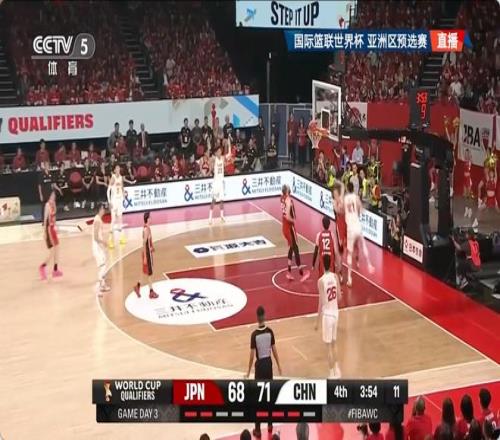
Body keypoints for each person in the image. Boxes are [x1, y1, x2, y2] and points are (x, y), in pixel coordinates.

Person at [245, 306, 282, 439]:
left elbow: (252, 356)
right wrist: (279, 365)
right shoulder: (270, 332)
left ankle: (258, 429)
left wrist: (248, 371)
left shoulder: (254, 335)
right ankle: (270, 424)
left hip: (260, 366)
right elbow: (274, 350)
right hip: (269, 365)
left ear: (257, 317)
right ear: (264, 316)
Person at [315, 254, 342, 378]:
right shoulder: (335, 277)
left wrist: (317, 321)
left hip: (327, 315)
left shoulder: (321, 281)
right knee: (334, 343)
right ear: (331, 263)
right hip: (336, 313)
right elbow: (339, 297)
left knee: (328, 347)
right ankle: (337, 369)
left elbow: (321, 302)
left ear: (322, 263)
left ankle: (331, 373)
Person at [344, 181, 375, 287]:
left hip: (350, 228)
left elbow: (342, 211)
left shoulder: (345, 199)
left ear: (347, 189)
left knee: (349, 253)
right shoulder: (356, 197)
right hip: (357, 225)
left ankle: (349, 278)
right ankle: (369, 264)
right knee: (363, 244)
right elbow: (361, 209)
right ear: (353, 188)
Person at [281, 184, 310, 282]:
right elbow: (287, 216)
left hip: (284, 227)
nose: (290, 188)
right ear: (287, 191)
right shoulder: (288, 200)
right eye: (288, 188)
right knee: (296, 248)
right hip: (289, 227)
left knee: (291, 247)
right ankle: (302, 272)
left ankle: (289, 272)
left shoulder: (282, 198)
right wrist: (293, 220)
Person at [134, 212, 159, 299]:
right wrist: (145, 256)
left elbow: (148, 242)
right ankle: (151, 292)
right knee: (149, 273)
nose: (151, 219)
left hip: (148, 252)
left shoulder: (148, 228)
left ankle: (137, 286)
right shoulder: (146, 230)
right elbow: (144, 243)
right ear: (147, 219)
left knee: (145, 271)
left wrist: (152, 247)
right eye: (150, 217)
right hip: (147, 254)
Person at [39, 191, 63, 280]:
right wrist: (44, 232)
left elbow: (54, 218)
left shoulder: (53, 204)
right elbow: (45, 220)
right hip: (48, 229)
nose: (54, 196)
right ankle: (42, 267)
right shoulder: (47, 205)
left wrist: (56, 227)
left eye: (54, 195)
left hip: (53, 229)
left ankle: (55, 270)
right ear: (49, 196)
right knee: (52, 251)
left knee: (57, 249)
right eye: (52, 195)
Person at [92, 204, 110, 295]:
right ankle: (98, 288)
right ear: (100, 209)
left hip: (99, 246)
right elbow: (95, 237)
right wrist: (104, 242)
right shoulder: (97, 220)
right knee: (102, 267)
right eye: (103, 209)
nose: (104, 211)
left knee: (104, 265)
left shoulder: (98, 219)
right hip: (97, 247)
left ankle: (102, 285)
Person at [107, 164, 126, 248]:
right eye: (117, 168)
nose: (118, 169)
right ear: (114, 170)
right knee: (113, 220)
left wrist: (123, 195)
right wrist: (109, 202)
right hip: (114, 201)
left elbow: (122, 188)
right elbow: (108, 191)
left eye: (119, 168)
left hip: (119, 200)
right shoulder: (113, 177)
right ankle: (110, 240)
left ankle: (121, 238)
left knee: (120, 219)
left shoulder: (121, 177)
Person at [208, 145, 227, 225]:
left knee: (222, 200)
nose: (220, 152)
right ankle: (210, 218)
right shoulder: (214, 159)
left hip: (221, 181)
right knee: (214, 200)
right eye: (218, 151)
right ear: (216, 153)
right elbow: (209, 158)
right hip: (216, 182)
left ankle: (222, 216)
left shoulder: (222, 158)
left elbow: (227, 158)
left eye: (220, 151)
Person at [333, 182, 347, 259]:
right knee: (340, 238)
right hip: (339, 221)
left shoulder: (342, 198)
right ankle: (340, 249)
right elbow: (336, 210)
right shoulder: (335, 201)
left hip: (344, 220)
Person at [463, 148, 473, 218]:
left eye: (467, 153)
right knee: (465, 196)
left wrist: (470, 156)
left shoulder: (470, 161)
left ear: (469, 154)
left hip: (469, 180)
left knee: (469, 196)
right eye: (465, 153)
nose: (466, 155)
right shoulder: (464, 161)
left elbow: (470, 169)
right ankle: (466, 209)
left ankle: (470, 210)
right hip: (464, 180)